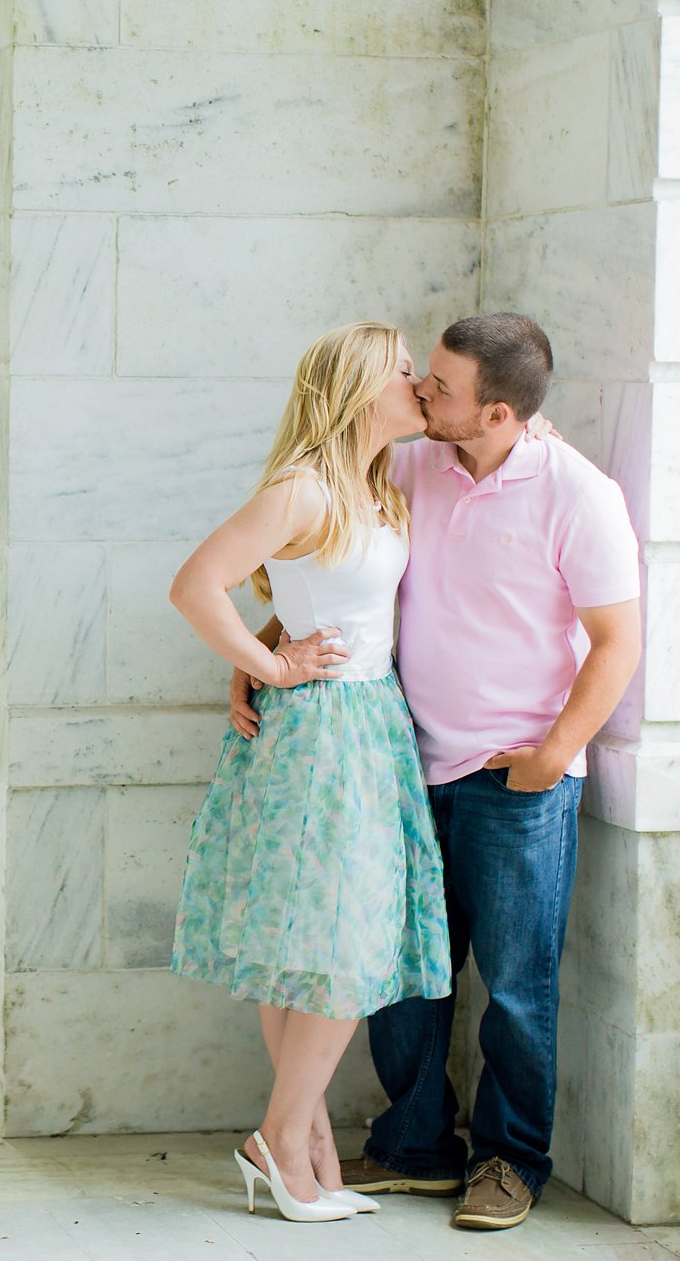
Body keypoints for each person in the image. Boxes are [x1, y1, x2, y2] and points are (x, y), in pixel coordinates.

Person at [271, 313, 642, 1231]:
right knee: (400, 973)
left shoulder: (578, 494)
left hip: (515, 776)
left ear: (503, 412)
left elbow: (616, 640)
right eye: (424, 379)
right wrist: (263, 651)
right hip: (398, 760)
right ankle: (415, 1144)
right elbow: (329, 560)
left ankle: (510, 1163)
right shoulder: (410, 461)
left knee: (516, 985)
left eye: (442, 388)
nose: (422, 394)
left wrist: (553, 757)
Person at [167, 321, 453, 1224]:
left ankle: (306, 1140)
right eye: (406, 374)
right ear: (362, 387)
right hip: (322, 730)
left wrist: (538, 437)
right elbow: (197, 582)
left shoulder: (380, 486)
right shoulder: (304, 488)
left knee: (318, 943)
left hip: (371, 721)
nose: (420, 386)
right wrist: (267, 661)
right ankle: (280, 1139)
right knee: (337, 942)